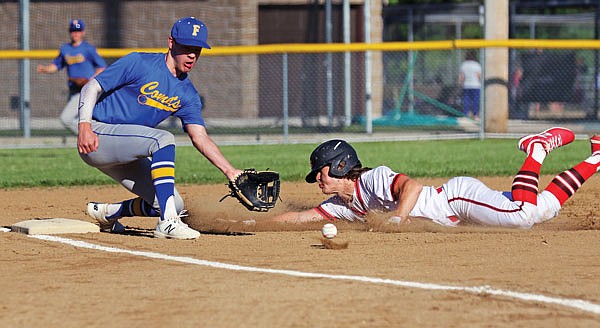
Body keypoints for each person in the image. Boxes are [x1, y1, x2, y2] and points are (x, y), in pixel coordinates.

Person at [78, 17, 242, 240]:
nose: (192, 55)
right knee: (162, 139)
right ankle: (167, 223)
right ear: (171, 42)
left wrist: (231, 171)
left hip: (129, 150)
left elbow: (200, 137)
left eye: (197, 49)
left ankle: (108, 213)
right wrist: (85, 126)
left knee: (174, 203)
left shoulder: (188, 94)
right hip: (98, 136)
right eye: (187, 47)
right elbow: (92, 86)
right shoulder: (139, 63)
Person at [273, 128, 600, 229]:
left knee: (522, 217)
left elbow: (410, 186)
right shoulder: (342, 204)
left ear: (341, 165)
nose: (317, 178)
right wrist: (258, 225)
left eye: (321, 170)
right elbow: (304, 216)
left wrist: (398, 217)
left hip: (456, 199)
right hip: (457, 211)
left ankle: (537, 149)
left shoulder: (371, 178)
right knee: (542, 209)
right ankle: (597, 157)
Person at [37, 19, 107, 134]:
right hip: (73, 90)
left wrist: (90, 80)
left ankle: (93, 137)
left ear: (83, 32)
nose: (75, 33)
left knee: (66, 119)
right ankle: (90, 141)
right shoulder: (65, 49)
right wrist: (45, 69)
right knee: (81, 120)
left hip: (85, 90)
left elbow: (102, 67)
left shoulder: (88, 49)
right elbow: (56, 65)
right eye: (73, 31)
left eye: (78, 31)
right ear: (70, 32)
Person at [458, 51, 482, 119]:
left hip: (466, 85)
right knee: (475, 100)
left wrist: (460, 83)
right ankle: (475, 114)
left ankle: (466, 113)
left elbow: (462, 76)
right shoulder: (476, 64)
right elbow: (478, 76)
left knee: (466, 100)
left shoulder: (464, 64)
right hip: (476, 85)